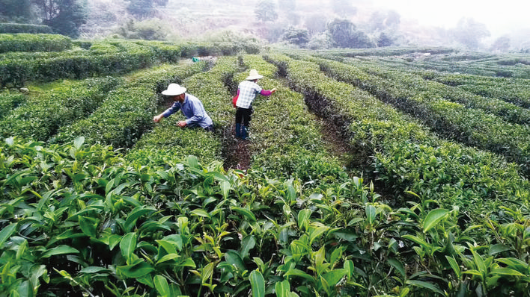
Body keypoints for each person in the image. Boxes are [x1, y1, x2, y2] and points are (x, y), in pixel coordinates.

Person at [234, 69, 276, 140]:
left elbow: (238, 93)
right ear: (256, 79)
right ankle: (245, 136)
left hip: (239, 104)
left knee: (238, 119)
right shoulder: (255, 86)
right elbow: (264, 93)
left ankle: (237, 134)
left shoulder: (242, 83)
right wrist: (271, 91)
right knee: (246, 121)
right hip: (246, 106)